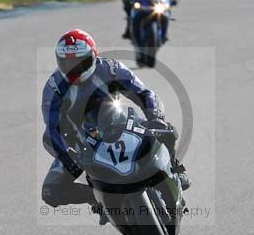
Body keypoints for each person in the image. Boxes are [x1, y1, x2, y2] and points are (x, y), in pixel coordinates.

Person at [41, 29, 190, 216]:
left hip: (120, 124)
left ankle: (174, 169)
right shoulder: (53, 87)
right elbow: (53, 128)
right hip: (82, 143)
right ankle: (96, 198)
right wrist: (66, 154)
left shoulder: (111, 69)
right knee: (50, 191)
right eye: (67, 63)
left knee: (166, 131)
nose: (74, 69)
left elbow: (144, 94)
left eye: (80, 62)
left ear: (93, 57)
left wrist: (155, 117)